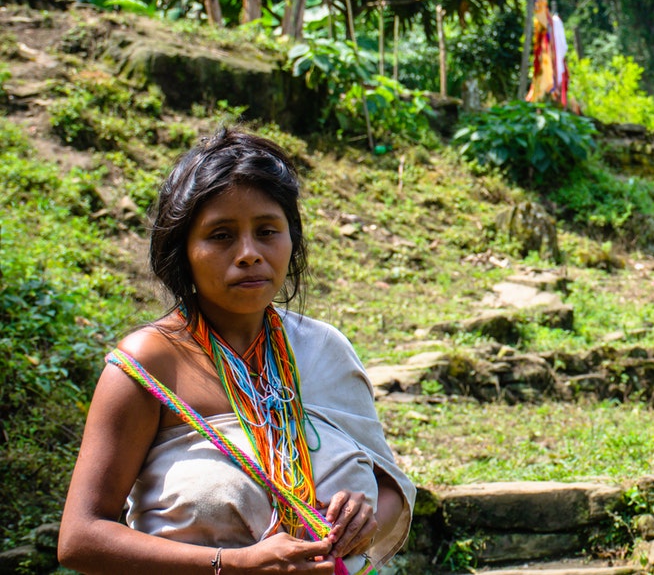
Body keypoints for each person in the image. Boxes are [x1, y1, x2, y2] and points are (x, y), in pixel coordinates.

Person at [59, 129, 415, 575]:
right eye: (221, 235)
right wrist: (233, 564)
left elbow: (392, 489)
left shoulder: (325, 349)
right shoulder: (149, 366)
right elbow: (81, 538)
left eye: (267, 231)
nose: (249, 253)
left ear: (292, 238)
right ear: (184, 251)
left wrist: (364, 523)